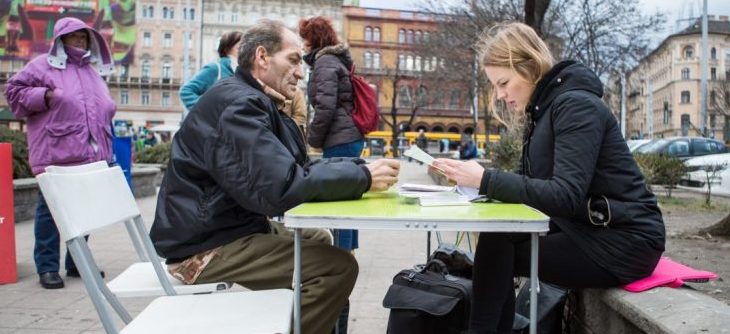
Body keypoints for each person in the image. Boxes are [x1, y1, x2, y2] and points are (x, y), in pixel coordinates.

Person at [149, 20, 400, 334]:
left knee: (320, 238)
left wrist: (358, 168)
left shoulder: (254, 99)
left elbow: (294, 166)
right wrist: (361, 176)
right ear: (262, 57)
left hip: (225, 226)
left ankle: (302, 317)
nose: (300, 72)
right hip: (204, 248)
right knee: (337, 268)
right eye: (293, 60)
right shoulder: (239, 105)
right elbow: (281, 187)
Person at [431, 22, 665, 333]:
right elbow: (537, 186)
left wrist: (486, 179)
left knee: (499, 246)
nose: (500, 95)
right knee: (497, 236)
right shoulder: (545, 109)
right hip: (585, 227)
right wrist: (473, 184)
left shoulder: (575, 106)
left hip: (624, 241)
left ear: (529, 66)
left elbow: (565, 195)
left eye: (503, 82)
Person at [4, 17, 116, 289]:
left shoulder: (92, 70)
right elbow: (13, 91)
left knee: (85, 212)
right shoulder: (41, 65)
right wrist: (44, 96)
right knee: (51, 212)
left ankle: (77, 263)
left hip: (91, 154)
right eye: (73, 36)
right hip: (56, 153)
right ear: (60, 40)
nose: (79, 41)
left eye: (84, 37)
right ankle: (47, 267)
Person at [299, 17, 363, 253]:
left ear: (314, 38)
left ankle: (341, 253)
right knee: (349, 192)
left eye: (305, 37)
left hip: (339, 138)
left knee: (339, 199)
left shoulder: (325, 62)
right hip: (349, 136)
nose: (303, 43)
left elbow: (325, 107)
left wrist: (314, 140)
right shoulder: (335, 60)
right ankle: (349, 249)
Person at [179, 30, 243, 115]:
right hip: (216, 126)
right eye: (239, 48)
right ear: (227, 49)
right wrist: (208, 113)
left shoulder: (242, 71)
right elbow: (186, 91)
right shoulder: (215, 68)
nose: (244, 51)